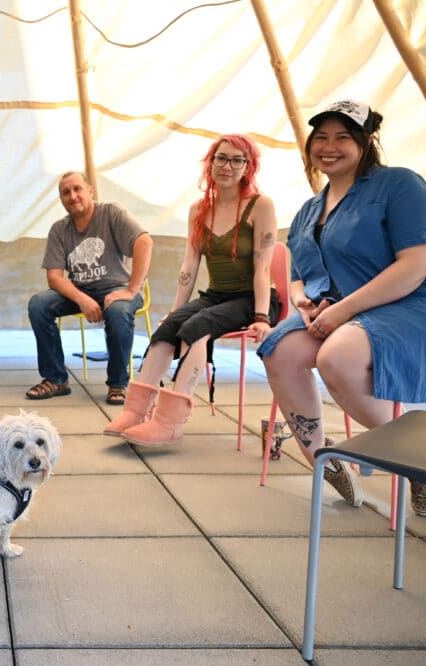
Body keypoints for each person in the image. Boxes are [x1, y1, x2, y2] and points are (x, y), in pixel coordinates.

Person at [258, 100, 426, 516]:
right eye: (321, 137)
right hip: (346, 309)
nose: (329, 146)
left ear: (366, 141)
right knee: (279, 349)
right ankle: (325, 457)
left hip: (415, 301)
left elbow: (416, 264)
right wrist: (302, 300)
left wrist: (340, 313)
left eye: (342, 137)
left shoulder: (399, 184)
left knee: (337, 356)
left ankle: (423, 462)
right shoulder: (309, 209)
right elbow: (300, 272)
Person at [103, 135, 281, 445]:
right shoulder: (199, 209)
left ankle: (170, 423)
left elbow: (263, 267)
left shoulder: (260, 205)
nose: (227, 166)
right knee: (169, 327)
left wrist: (261, 317)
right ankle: (134, 411)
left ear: (248, 167)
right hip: (216, 296)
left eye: (237, 160)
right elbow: (190, 264)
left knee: (198, 326)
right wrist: (175, 310)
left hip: (253, 298)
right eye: (221, 158)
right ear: (210, 162)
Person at [26, 171, 153, 405]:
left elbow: (144, 242)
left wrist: (131, 289)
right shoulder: (59, 230)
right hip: (82, 290)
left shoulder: (112, 212)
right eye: (66, 192)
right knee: (38, 304)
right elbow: (54, 277)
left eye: (77, 189)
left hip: (118, 287)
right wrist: (82, 299)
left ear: (90, 191)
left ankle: (118, 383)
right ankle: (56, 379)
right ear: (62, 199)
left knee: (118, 311)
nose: (73, 196)